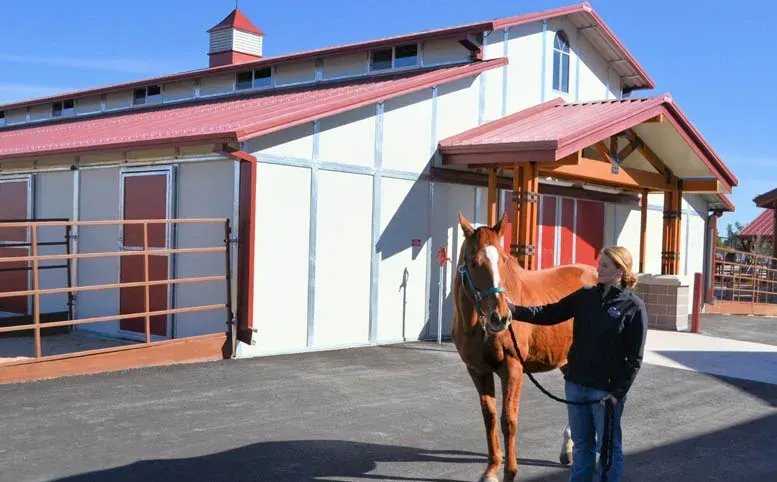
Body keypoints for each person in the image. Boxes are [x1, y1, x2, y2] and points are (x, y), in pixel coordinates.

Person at [507, 246, 647, 482]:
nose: (598, 268)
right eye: (599, 263)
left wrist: (617, 394)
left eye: (604, 265)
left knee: (608, 450)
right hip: (576, 386)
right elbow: (550, 313)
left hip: (605, 393)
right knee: (582, 447)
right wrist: (515, 310)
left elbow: (635, 359)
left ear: (620, 271)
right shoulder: (586, 295)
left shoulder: (633, 307)